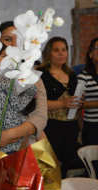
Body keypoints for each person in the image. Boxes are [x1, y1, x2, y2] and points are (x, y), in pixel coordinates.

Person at [36, 36, 81, 178]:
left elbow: (73, 101)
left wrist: (78, 102)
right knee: (50, 166)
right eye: (56, 50)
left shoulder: (71, 73)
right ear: (49, 54)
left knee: (65, 165)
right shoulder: (41, 74)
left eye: (64, 50)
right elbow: (36, 103)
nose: (62, 53)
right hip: (51, 127)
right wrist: (62, 103)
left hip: (71, 126)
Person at [78, 37, 98, 146]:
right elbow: (78, 104)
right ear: (90, 52)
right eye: (97, 48)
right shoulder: (84, 75)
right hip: (92, 128)